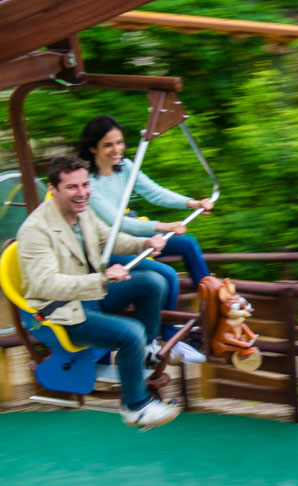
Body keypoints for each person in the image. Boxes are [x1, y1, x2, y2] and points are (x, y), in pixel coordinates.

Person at [17, 156, 180, 428]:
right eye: (72, 187)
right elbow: (46, 284)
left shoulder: (83, 213)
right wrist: (101, 279)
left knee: (153, 281)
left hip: (89, 297)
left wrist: (144, 243)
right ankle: (136, 407)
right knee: (131, 334)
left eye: (84, 185)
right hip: (59, 311)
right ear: (53, 189)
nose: (81, 193)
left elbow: (109, 238)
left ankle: (147, 350)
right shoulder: (36, 230)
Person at [78, 114, 211, 362]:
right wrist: (162, 227)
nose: (116, 149)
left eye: (119, 142)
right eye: (108, 145)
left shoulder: (125, 167)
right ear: (92, 147)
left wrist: (192, 203)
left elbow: (154, 192)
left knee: (188, 243)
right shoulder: (88, 184)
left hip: (133, 236)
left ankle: (213, 302)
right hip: (109, 246)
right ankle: (167, 335)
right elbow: (116, 222)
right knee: (168, 275)